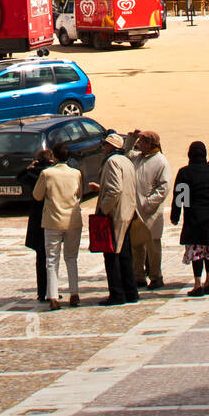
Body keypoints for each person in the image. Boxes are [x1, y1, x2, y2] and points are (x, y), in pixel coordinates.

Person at [33, 143, 83, 310]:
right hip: (73, 220)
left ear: (54, 156)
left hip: (53, 220)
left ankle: (53, 296)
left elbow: (37, 196)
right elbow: (79, 194)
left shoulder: (47, 173)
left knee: (52, 259)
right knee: (71, 257)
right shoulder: (76, 173)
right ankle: (74, 293)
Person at [93, 131, 139, 306]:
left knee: (112, 256)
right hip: (127, 212)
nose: (103, 147)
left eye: (105, 144)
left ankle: (117, 294)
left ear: (112, 147)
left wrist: (104, 210)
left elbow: (115, 190)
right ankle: (131, 292)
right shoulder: (126, 161)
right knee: (125, 254)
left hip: (115, 214)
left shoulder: (112, 162)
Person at [171, 141, 209, 296]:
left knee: (197, 252)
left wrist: (175, 216)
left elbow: (180, 197)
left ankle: (198, 284)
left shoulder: (185, 173)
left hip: (193, 217)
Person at [129, 131, 171, 290]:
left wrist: (148, 203)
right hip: (135, 211)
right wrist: (132, 138)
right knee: (136, 246)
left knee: (153, 247)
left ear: (150, 144)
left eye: (142, 141)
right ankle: (138, 276)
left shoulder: (160, 161)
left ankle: (156, 276)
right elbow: (127, 154)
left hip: (151, 212)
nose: (139, 144)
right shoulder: (138, 157)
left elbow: (164, 187)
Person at [22, 147, 56, 302]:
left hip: (37, 220)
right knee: (52, 256)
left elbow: (19, 177)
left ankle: (42, 292)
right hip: (50, 218)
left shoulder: (34, 173)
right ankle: (51, 290)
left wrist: (29, 167)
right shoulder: (52, 173)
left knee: (41, 258)